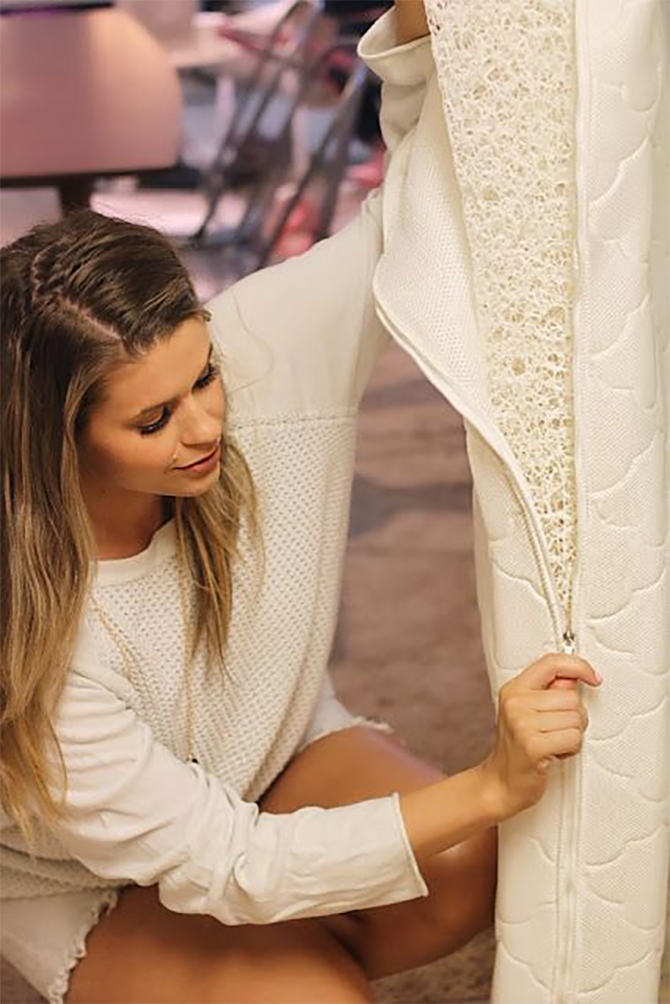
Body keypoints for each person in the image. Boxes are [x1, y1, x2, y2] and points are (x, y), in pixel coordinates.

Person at [0, 8, 601, 1004]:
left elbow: (410, 212)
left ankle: (266, 963)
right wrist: (487, 777)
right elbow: (228, 861)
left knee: (475, 863)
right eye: (152, 420)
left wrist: (414, 35)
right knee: (312, 988)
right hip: (82, 877)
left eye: (202, 376)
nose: (202, 426)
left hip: (267, 754)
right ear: (55, 441)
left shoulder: (255, 349)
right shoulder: (38, 639)